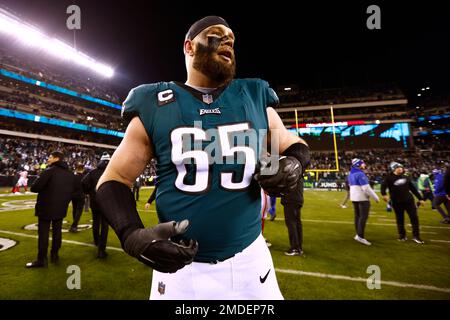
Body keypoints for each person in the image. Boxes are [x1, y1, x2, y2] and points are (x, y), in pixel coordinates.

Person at [95, 16, 310, 300]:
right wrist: (130, 234)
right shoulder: (155, 102)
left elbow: (291, 143)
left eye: (232, 38)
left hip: (251, 261)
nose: (228, 41)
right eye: (216, 35)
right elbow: (115, 179)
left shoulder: (253, 95)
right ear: (189, 46)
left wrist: (293, 162)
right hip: (181, 269)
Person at [26, 151, 75, 268]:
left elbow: (34, 187)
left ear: (56, 158)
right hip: (61, 207)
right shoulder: (69, 174)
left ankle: (41, 259)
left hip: (46, 207)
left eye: (50, 157)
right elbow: (73, 190)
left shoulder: (49, 171)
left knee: (43, 234)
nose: (48, 159)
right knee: (57, 232)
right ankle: (55, 255)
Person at [380, 162, 425, 243]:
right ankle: (402, 236)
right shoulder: (388, 177)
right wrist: (384, 194)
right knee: (400, 219)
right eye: (398, 167)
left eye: (401, 167)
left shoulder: (406, 176)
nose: (401, 169)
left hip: (409, 201)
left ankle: (416, 236)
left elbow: (413, 188)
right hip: (397, 202)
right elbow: (383, 187)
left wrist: (420, 198)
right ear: (393, 169)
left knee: (414, 218)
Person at [82, 152, 111, 258]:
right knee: (104, 226)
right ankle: (101, 250)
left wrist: (89, 192)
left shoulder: (93, 172)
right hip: (107, 203)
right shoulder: (112, 172)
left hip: (95, 201)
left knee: (96, 222)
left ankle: (96, 241)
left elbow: (84, 183)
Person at [348, 158, 379, 246]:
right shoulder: (360, 173)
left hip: (354, 197)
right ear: (358, 164)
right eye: (363, 163)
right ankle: (360, 236)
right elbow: (366, 188)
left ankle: (358, 234)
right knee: (363, 217)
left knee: (357, 216)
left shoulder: (350, 173)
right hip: (362, 198)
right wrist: (376, 197)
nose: (364, 165)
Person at [281, 179, 304, 256]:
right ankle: (298, 247)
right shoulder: (299, 169)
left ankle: (295, 247)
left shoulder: (291, 170)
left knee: (291, 223)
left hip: (291, 199)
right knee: (297, 223)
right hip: (297, 198)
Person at [69, 163, 86, 232]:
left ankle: (74, 223)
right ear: (83, 169)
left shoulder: (73, 177)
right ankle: (74, 225)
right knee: (79, 211)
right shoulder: (85, 177)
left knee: (75, 209)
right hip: (81, 195)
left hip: (73, 195)